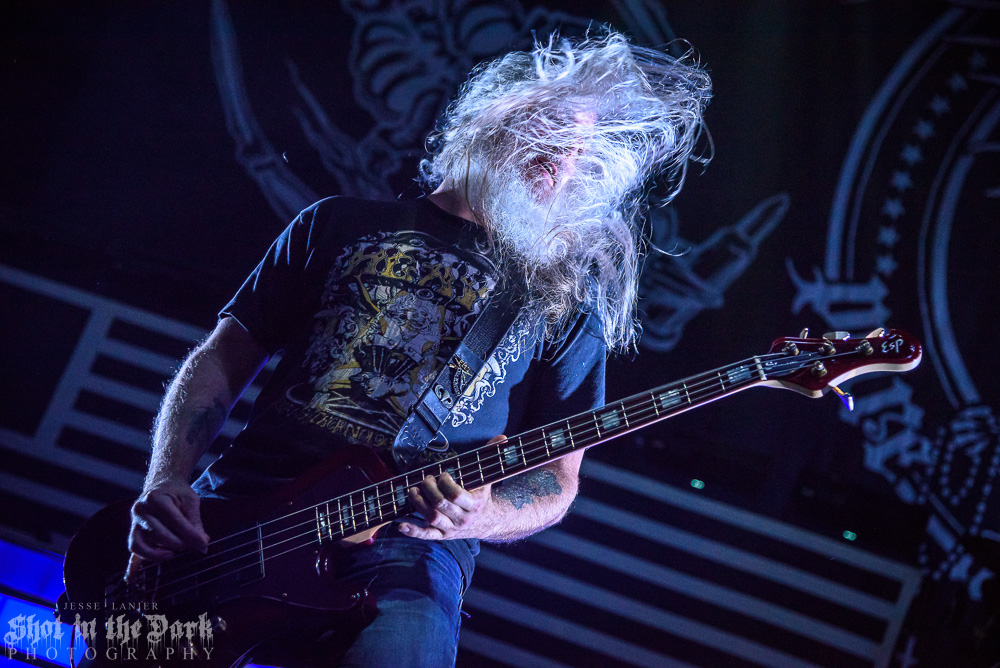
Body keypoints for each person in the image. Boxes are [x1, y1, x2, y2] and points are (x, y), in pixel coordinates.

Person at [126, 30, 710, 667]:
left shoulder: (562, 304)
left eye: (578, 150)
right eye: (550, 129)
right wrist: (168, 480)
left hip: (404, 548)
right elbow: (223, 358)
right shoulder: (337, 221)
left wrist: (481, 516)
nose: (561, 158)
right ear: (492, 119)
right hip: (237, 514)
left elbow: (558, 478)